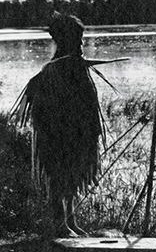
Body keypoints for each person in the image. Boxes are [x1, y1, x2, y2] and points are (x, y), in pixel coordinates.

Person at [12, 13, 106, 237]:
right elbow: (45, 113)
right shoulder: (51, 73)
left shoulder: (75, 68)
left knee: (72, 175)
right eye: (78, 37)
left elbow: (87, 104)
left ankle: (70, 220)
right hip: (56, 137)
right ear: (66, 39)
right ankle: (59, 223)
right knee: (57, 176)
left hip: (75, 134)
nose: (82, 43)